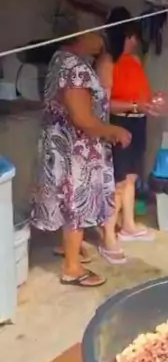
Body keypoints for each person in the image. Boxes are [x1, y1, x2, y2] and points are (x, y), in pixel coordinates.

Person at [31, 30, 131, 287]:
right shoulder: (74, 67)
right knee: (76, 203)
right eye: (97, 35)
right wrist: (113, 131)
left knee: (65, 200)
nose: (100, 43)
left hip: (59, 144)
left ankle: (69, 249)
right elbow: (82, 119)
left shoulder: (59, 59)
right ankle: (72, 268)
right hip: (75, 150)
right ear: (80, 36)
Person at [96, 15, 161, 259]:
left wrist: (151, 103)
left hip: (137, 122)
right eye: (132, 37)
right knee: (118, 182)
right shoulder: (107, 62)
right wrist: (135, 106)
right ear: (125, 36)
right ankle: (108, 236)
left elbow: (140, 94)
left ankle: (128, 226)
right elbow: (104, 104)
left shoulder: (133, 61)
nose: (135, 42)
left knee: (131, 177)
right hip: (119, 123)